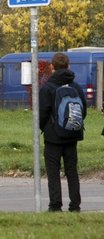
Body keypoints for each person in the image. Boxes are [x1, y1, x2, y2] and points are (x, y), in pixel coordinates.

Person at [38, 52, 86, 212]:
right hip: (72, 135)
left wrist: (45, 128)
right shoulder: (76, 87)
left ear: (52, 67)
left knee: (53, 172)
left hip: (53, 137)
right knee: (72, 171)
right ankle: (75, 205)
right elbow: (83, 110)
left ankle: (55, 205)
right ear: (68, 66)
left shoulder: (47, 88)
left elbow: (42, 113)